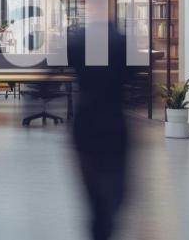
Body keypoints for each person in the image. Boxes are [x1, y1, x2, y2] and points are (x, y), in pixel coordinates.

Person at [68, 22, 135, 240]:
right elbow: (135, 79)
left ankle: (100, 226)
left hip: (86, 124)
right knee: (114, 192)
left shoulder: (77, 42)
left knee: (96, 193)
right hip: (113, 125)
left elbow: (50, 74)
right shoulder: (121, 42)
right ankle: (103, 226)